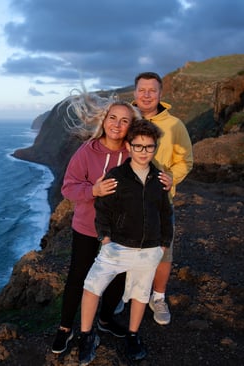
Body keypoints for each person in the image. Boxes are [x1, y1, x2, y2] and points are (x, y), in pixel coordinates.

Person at [51, 93, 145, 354]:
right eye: (112, 117)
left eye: (124, 120)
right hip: (87, 227)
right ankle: (65, 328)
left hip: (120, 231)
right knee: (77, 277)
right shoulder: (87, 151)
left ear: (131, 126)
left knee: (118, 276)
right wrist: (94, 190)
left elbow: (148, 181)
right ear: (104, 120)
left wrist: (165, 182)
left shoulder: (133, 153)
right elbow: (69, 187)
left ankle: (105, 319)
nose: (116, 124)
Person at [78, 119, 174, 365]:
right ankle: (87, 335)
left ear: (155, 147)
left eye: (149, 147)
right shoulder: (117, 176)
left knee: (141, 294)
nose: (144, 152)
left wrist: (163, 242)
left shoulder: (160, 178)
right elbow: (103, 209)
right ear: (129, 147)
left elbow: (165, 212)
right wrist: (106, 238)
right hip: (117, 246)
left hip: (150, 249)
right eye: (138, 146)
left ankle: (133, 335)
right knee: (91, 287)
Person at [122, 72, 193, 326]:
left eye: (152, 90)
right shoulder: (125, 120)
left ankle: (158, 297)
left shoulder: (174, 125)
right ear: (135, 93)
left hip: (160, 202)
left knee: (163, 252)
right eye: (142, 90)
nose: (147, 95)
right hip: (126, 200)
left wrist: (173, 178)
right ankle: (127, 294)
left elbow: (186, 159)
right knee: (126, 248)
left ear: (160, 94)